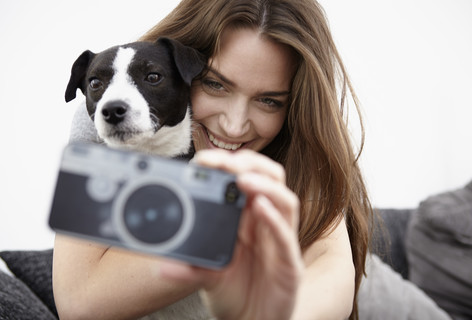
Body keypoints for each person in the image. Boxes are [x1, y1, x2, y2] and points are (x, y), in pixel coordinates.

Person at [52, 0, 373, 319]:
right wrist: (224, 235)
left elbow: (329, 269)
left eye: (269, 101)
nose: (234, 126)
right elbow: (80, 302)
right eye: (215, 84)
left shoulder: (302, 141)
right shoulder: (113, 113)